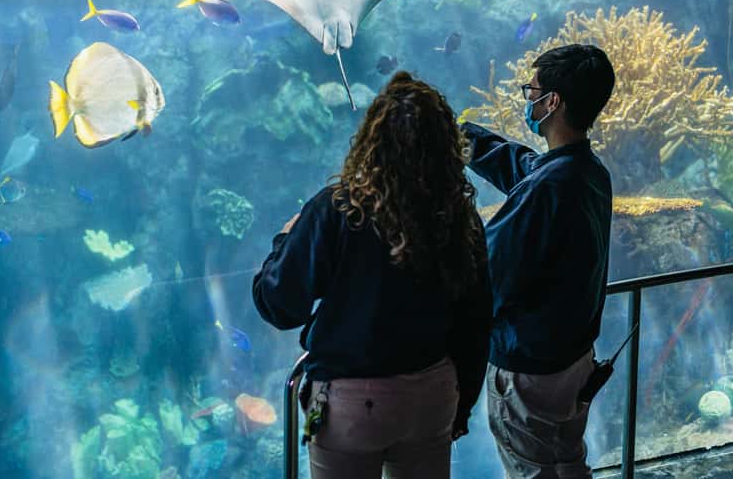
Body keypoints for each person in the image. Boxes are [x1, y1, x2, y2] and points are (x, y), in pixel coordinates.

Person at [252, 71, 492, 479]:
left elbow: (279, 305)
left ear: (371, 140)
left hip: (350, 402)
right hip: (432, 394)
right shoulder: (459, 216)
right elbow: (477, 321)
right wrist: (462, 403)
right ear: (446, 146)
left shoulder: (337, 209)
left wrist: (284, 240)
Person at [460, 44, 615, 478]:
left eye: (532, 90)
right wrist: (465, 138)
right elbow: (529, 169)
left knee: (533, 471)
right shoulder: (589, 173)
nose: (527, 98)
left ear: (552, 102)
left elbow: (489, 275)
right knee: (569, 464)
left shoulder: (547, 188)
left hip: (530, 372)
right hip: (574, 362)